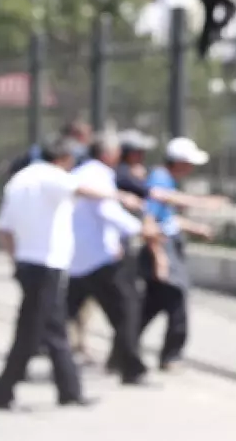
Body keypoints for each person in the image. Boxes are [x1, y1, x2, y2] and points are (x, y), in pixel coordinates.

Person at [0, 134, 134, 410]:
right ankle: (2, 392)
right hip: (46, 265)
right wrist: (121, 196)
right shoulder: (51, 175)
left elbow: (5, 229)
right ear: (63, 159)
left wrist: (15, 261)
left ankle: (69, 391)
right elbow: (83, 189)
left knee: (55, 331)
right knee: (30, 332)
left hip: (28, 263)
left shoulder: (19, 180)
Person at [66, 132, 157, 386]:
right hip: (98, 260)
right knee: (128, 311)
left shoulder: (81, 173)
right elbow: (107, 211)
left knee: (60, 313)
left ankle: (27, 360)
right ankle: (131, 368)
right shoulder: (98, 175)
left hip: (76, 258)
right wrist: (139, 228)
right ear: (107, 153)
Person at [137, 137, 218, 372]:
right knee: (175, 301)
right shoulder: (160, 180)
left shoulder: (165, 180)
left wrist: (196, 228)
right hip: (162, 249)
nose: (191, 168)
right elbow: (150, 221)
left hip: (165, 248)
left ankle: (124, 350)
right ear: (179, 162)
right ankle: (170, 356)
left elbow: (168, 220)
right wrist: (159, 258)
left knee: (151, 305)